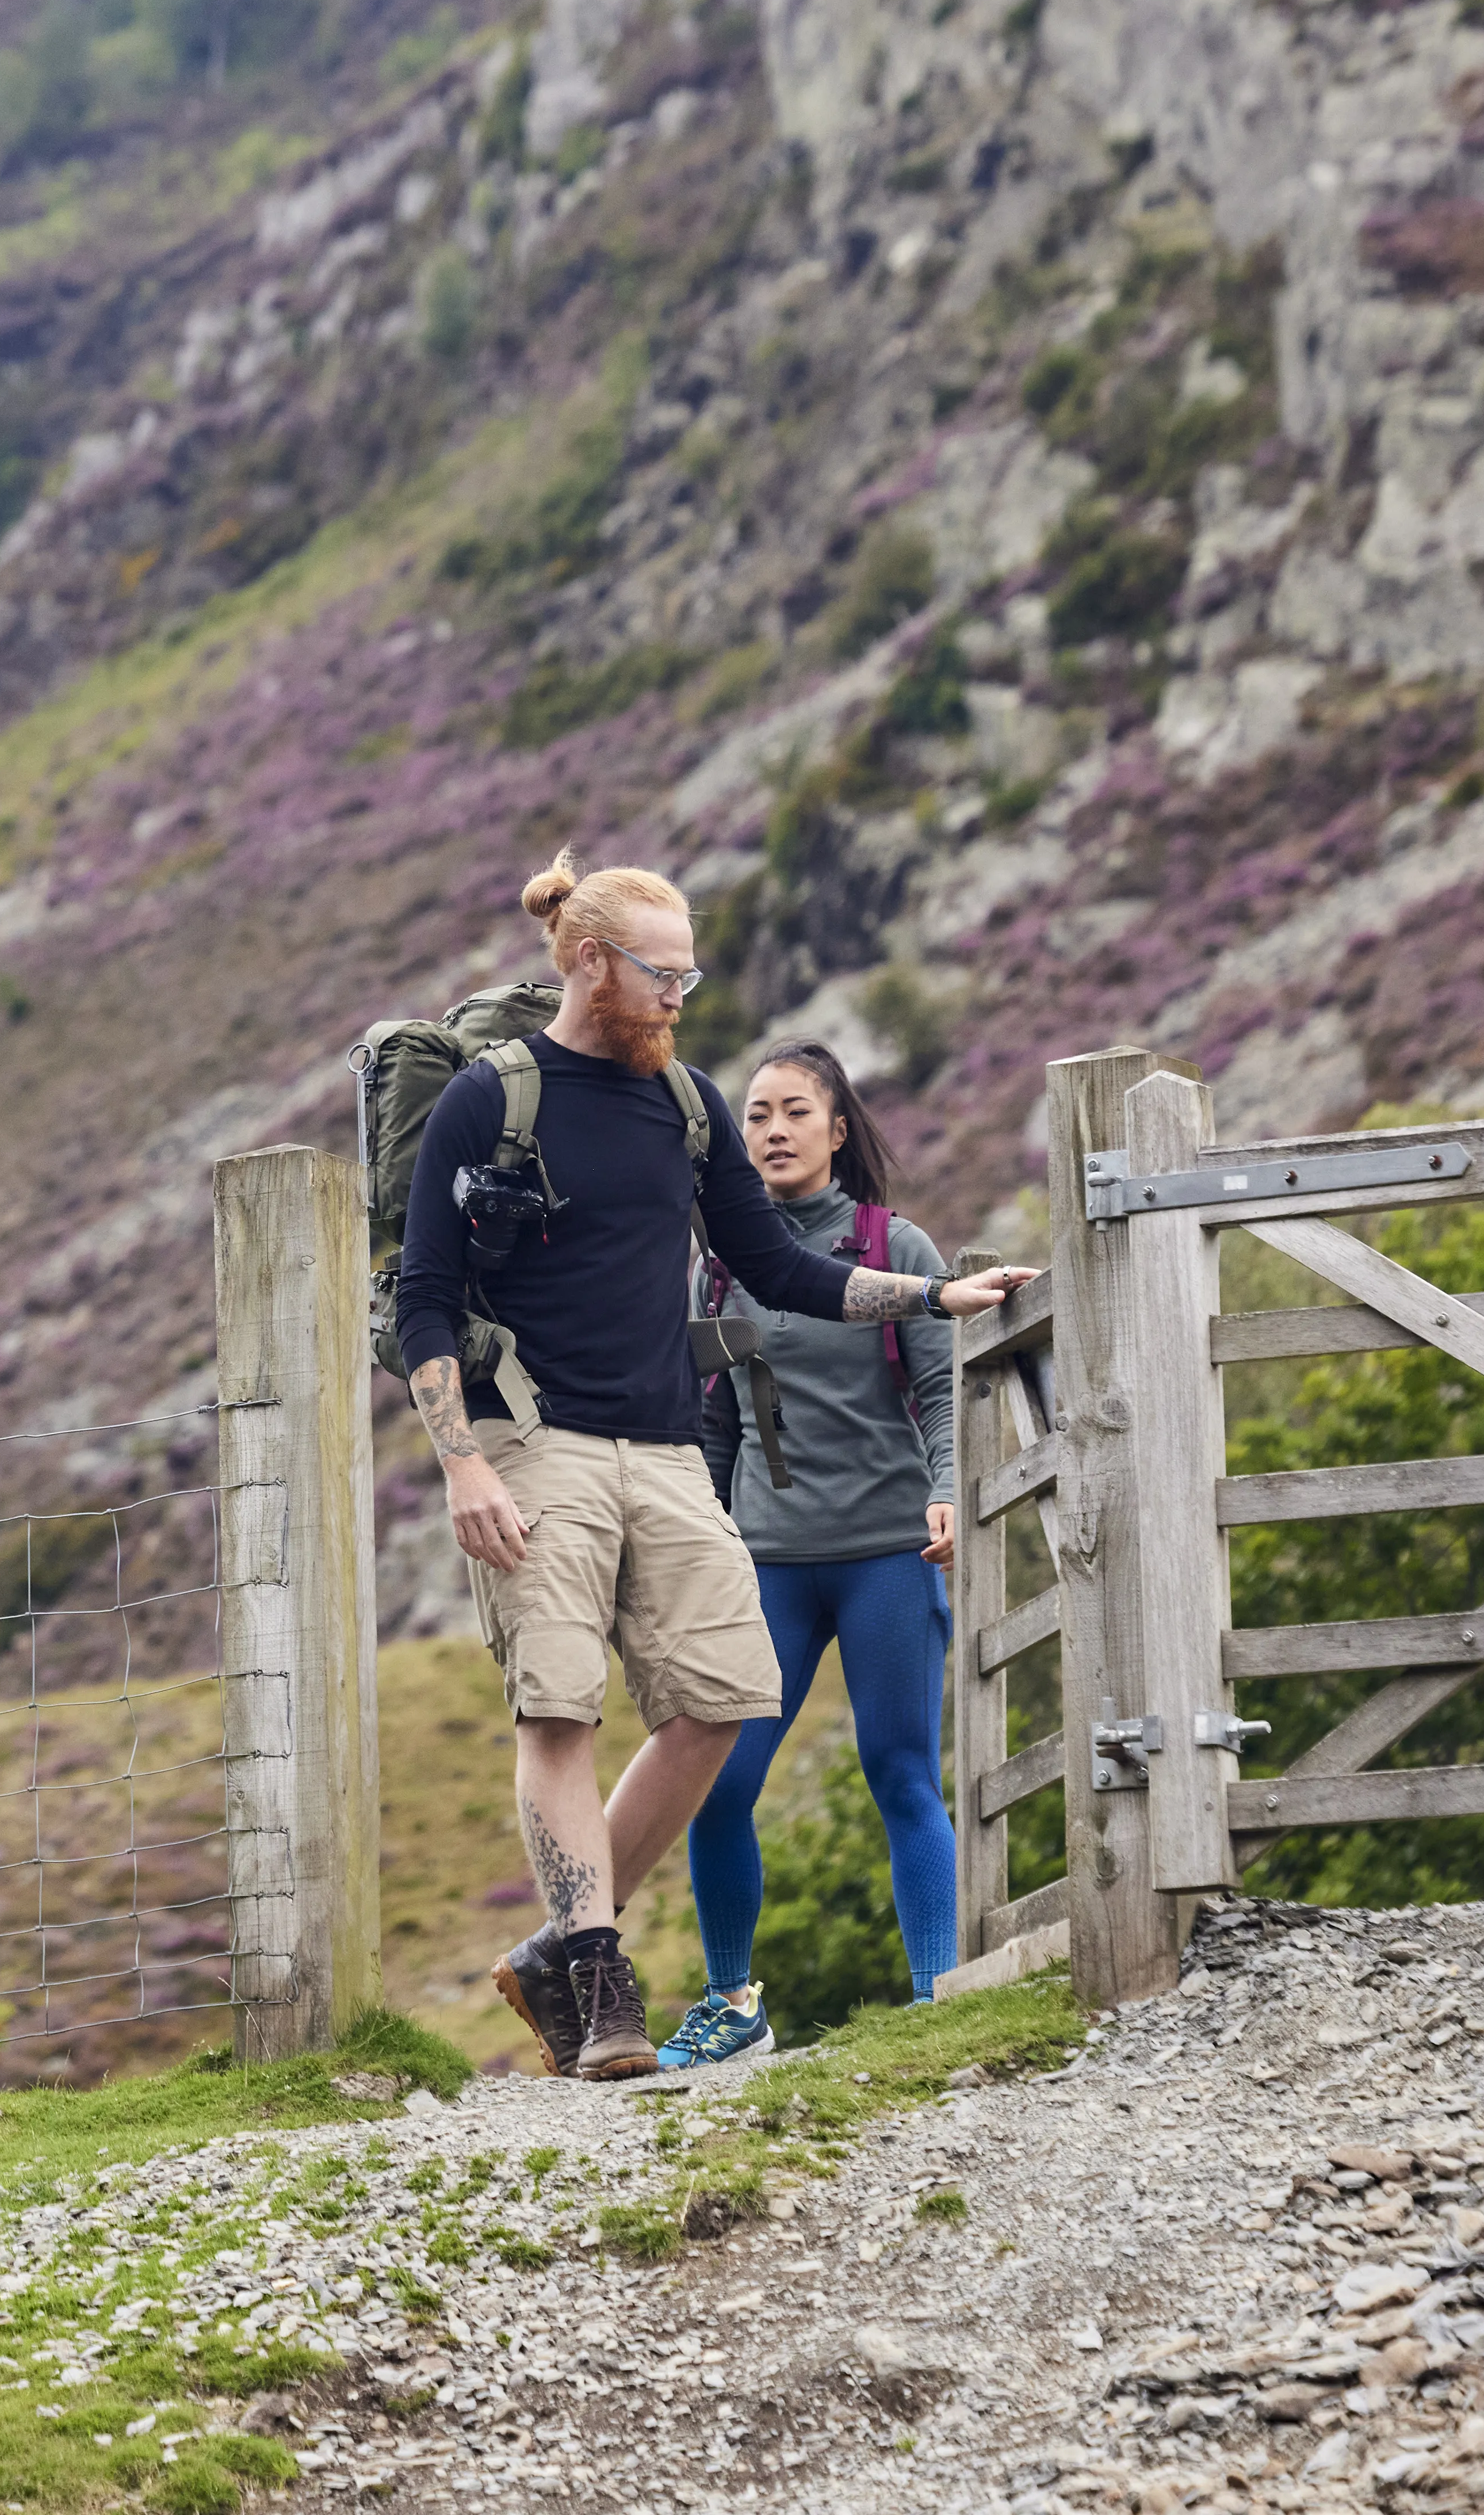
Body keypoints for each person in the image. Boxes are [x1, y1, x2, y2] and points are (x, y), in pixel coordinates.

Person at [391, 853, 1036, 2079]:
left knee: (724, 1700)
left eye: (691, 970)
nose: (681, 994)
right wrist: (464, 1462)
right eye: (662, 972)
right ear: (589, 961)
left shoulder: (681, 1104)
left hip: (665, 1446)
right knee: (559, 1702)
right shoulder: (491, 1099)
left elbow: (779, 1267)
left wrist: (932, 1290)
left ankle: (551, 1952)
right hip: (537, 1439)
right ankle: (597, 1968)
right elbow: (423, 1294)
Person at [652, 1043, 965, 2070]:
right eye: (755, 1116)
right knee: (719, 1785)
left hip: (885, 1553)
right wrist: (701, 1536)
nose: (774, 1130)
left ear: (839, 1131)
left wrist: (949, 1493)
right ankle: (733, 2006)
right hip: (768, 1566)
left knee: (901, 1772)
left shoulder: (897, 1246)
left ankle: (938, 1997)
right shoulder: (718, 1269)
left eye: (795, 1112)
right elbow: (716, 1427)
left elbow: (943, 1394)